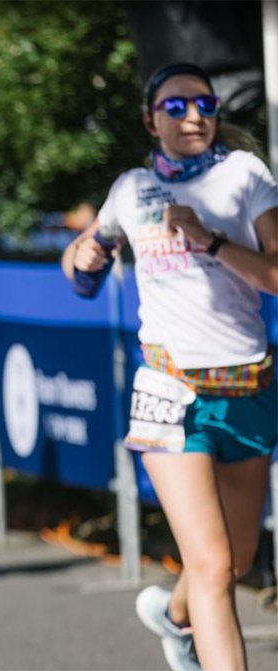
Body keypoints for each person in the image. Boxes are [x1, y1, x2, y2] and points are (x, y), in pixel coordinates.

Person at [63, 62, 277, 671]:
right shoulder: (131, 188)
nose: (192, 118)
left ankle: (174, 617)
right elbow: (85, 268)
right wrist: (80, 256)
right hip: (168, 390)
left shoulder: (245, 174)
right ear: (150, 119)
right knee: (210, 565)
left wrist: (211, 241)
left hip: (248, 386)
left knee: (233, 563)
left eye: (204, 106)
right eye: (177, 107)